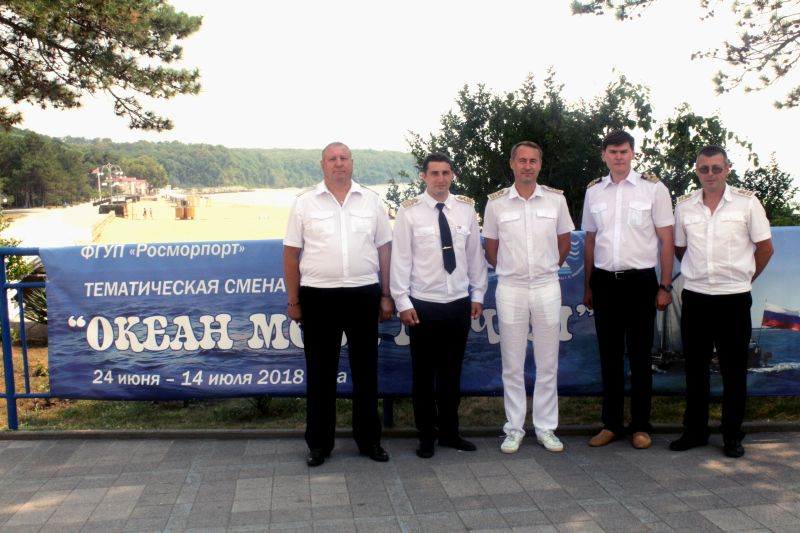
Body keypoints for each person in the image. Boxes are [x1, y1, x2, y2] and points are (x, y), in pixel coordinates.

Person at [283, 142, 394, 467]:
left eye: (344, 158)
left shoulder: (371, 201)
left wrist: (386, 294)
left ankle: (369, 441)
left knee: (366, 373)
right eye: (332, 158)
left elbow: (385, 250)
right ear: (323, 164)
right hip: (319, 296)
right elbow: (291, 254)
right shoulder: (305, 203)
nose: (338, 163)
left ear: (352, 163)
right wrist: (294, 300)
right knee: (320, 374)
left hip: (364, 294)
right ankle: (319, 444)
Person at [670, 145, 773, 458]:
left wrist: (744, 279)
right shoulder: (684, 206)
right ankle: (696, 431)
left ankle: (732, 435)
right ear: (697, 171)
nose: (710, 174)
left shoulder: (747, 203)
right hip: (696, 297)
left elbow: (765, 248)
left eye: (716, 168)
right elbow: (680, 249)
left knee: (734, 370)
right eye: (704, 168)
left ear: (727, 169)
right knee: (696, 369)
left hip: (734, 298)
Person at [390, 152, 488, 458]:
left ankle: (449, 433)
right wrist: (402, 301)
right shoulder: (409, 212)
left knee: (451, 374)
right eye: (434, 173)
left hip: (457, 303)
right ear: (424, 176)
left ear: (452, 175)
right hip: (423, 304)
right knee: (423, 376)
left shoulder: (465, 209)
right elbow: (400, 259)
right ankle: (426, 436)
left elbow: (474, 256)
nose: (440, 179)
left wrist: (478, 294)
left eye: (446, 173)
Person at [581, 130, 674, 450]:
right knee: (609, 358)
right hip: (605, 283)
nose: (618, 156)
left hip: (640, 283)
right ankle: (611, 424)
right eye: (612, 151)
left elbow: (666, 239)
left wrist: (665, 285)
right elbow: (590, 241)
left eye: (623, 151)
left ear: (633, 154)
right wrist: (588, 285)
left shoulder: (653, 188)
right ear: (604, 155)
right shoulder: (594, 191)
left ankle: (640, 426)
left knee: (639, 356)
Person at [482, 141, 574, 454]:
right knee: (512, 363)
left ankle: (546, 428)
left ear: (539, 164)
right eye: (522, 160)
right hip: (511, 288)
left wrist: (547, 268)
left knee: (547, 362)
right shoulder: (496, 204)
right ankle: (514, 429)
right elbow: (491, 249)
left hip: (547, 286)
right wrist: (513, 270)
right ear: (512, 164)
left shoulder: (555, 200)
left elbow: (565, 242)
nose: (527, 166)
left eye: (533, 161)